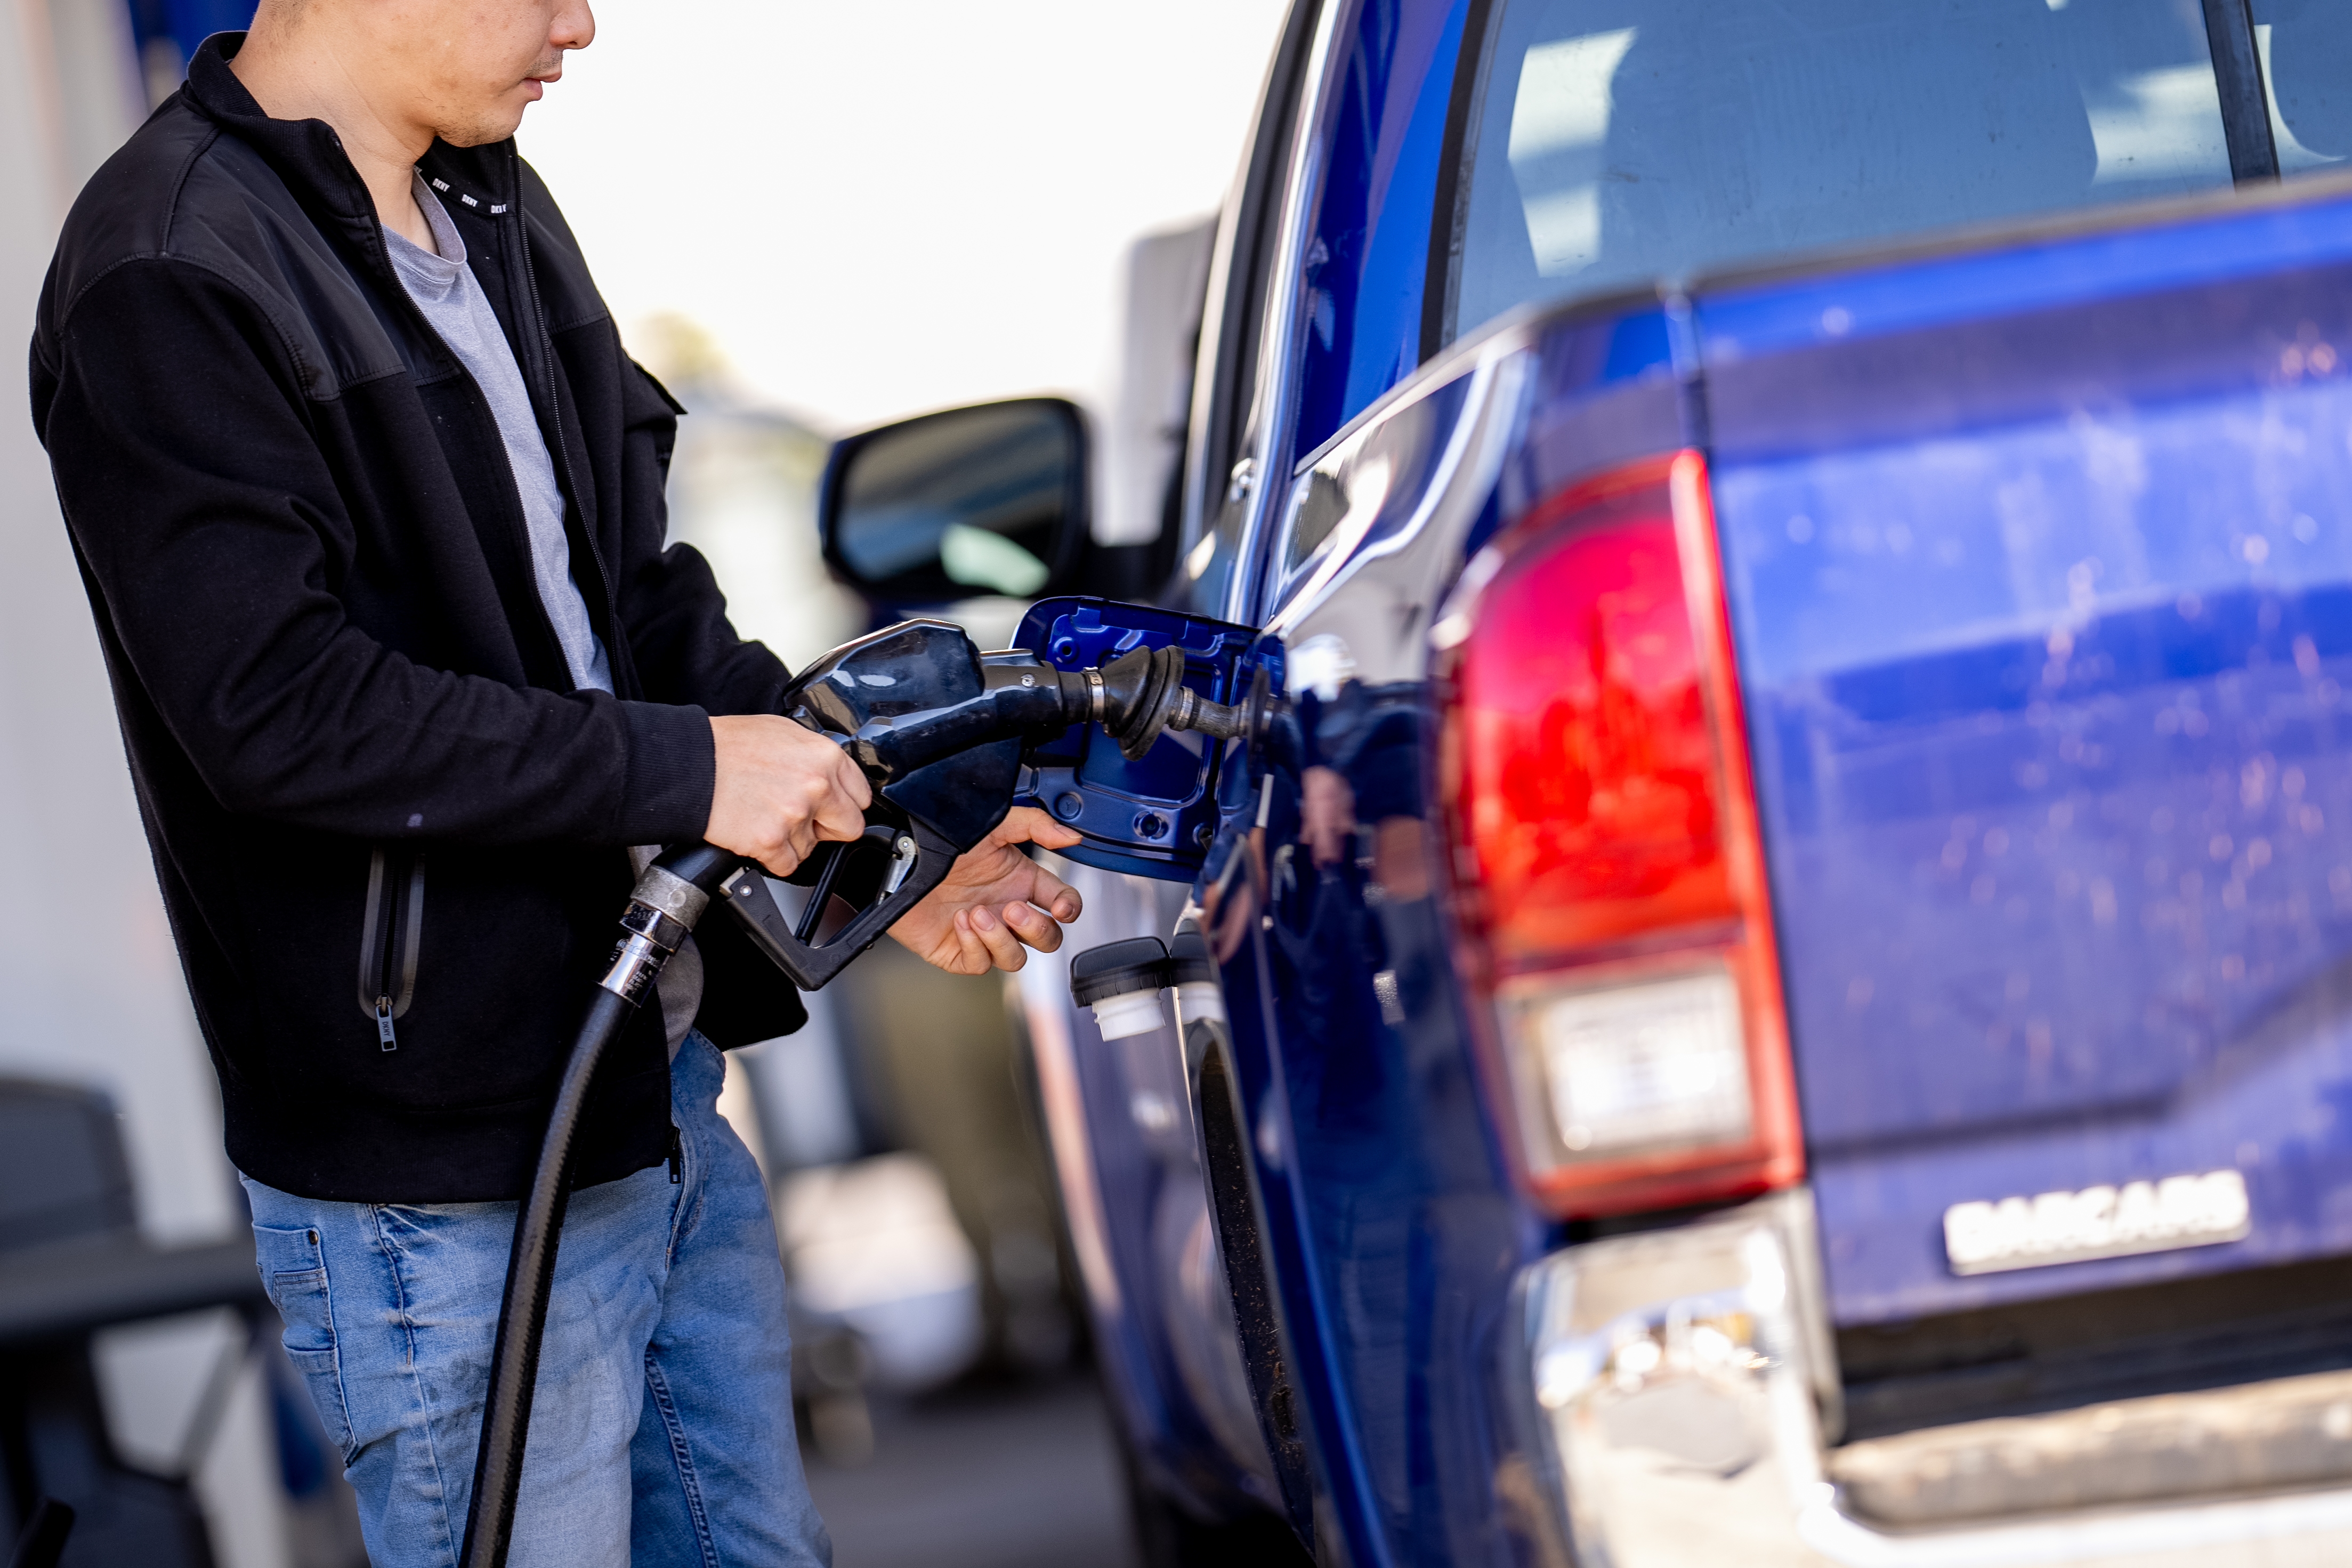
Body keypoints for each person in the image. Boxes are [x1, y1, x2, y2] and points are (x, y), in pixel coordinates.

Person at [27, 2, 1084, 1562]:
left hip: (645, 1100)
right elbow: (278, 712)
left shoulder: (493, 205)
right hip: (441, 1181)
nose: (580, 22)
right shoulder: (169, 272)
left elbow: (641, 611)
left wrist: (893, 865)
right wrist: (687, 771)